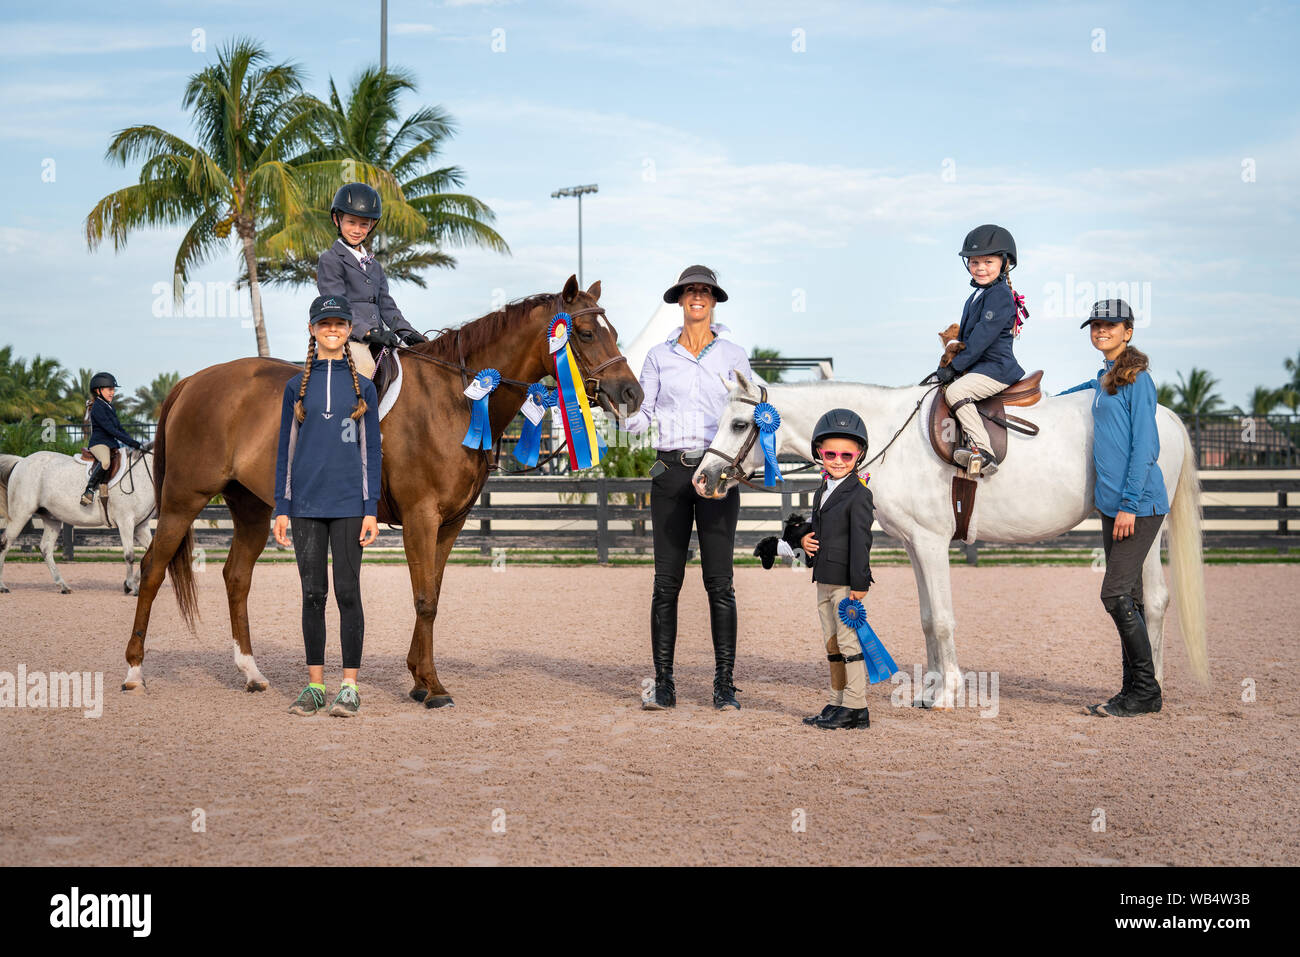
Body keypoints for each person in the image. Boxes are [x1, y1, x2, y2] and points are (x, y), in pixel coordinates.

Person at [620, 265, 753, 711]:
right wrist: (619, 409)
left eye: (705, 291)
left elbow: (752, 410)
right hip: (671, 473)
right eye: (690, 291)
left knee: (720, 583)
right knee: (666, 583)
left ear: (714, 300)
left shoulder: (734, 354)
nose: (697, 297)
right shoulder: (658, 355)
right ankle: (663, 683)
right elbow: (642, 415)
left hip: (718, 474)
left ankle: (724, 685)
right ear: (680, 300)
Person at [273, 294, 382, 717]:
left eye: (339, 323)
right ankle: (315, 686)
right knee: (313, 594)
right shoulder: (294, 387)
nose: (332, 329)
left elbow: (370, 452)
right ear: (312, 329)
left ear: (348, 330)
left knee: (348, 593)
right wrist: (282, 507)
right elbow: (287, 449)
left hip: (350, 504)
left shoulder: (365, 388)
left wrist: (370, 506)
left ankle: (349, 687)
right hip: (304, 506)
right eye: (324, 323)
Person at [1058, 299, 1167, 717]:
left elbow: (1144, 447)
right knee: (1132, 598)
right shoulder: (1105, 378)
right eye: (1096, 325)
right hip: (1114, 507)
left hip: (1138, 506)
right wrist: (1038, 399)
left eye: (1110, 325)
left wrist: (1127, 506)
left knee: (1115, 594)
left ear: (1129, 331)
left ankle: (1147, 691)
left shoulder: (1137, 380)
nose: (1101, 330)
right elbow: (1075, 396)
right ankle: (1132, 691)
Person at [796, 409, 875, 730]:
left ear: (858, 456)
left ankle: (857, 706)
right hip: (824, 579)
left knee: (849, 643)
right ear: (819, 453)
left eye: (846, 454)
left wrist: (860, 583)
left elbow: (862, 540)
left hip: (846, 582)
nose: (838, 460)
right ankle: (837, 700)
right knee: (832, 644)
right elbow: (818, 527)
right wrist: (803, 538)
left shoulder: (860, 494)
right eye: (831, 454)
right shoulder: (822, 490)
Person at [932, 224, 1027, 476]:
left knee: (956, 392)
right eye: (974, 262)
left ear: (1004, 263)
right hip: (978, 367)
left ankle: (984, 452)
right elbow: (965, 338)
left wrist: (955, 368)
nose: (980, 268)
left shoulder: (1000, 295)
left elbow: (982, 338)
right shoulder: (973, 297)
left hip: (996, 369)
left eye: (988, 261)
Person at [316, 182, 426, 380]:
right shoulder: (330, 259)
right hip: (347, 340)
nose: (357, 230)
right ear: (337, 219)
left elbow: (387, 306)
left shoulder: (374, 266)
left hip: (380, 340)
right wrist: (368, 332)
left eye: (363, 224)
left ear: (371, 225)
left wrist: (408, 333)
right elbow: (336, 305)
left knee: (416, 368)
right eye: (351, 222)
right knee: (365, 368)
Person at [81, 372, 145, 506]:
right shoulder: (97, 407)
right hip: (99, 443)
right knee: (105, 462)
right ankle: (89, 490)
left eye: (113, 390)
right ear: (98, 390)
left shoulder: (109, 407)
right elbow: (110, 429)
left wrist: (134, 443)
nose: (113, 393)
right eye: (110, 389)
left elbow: (119, 428)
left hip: (111, 444)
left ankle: (105, 485)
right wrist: (130, 442)